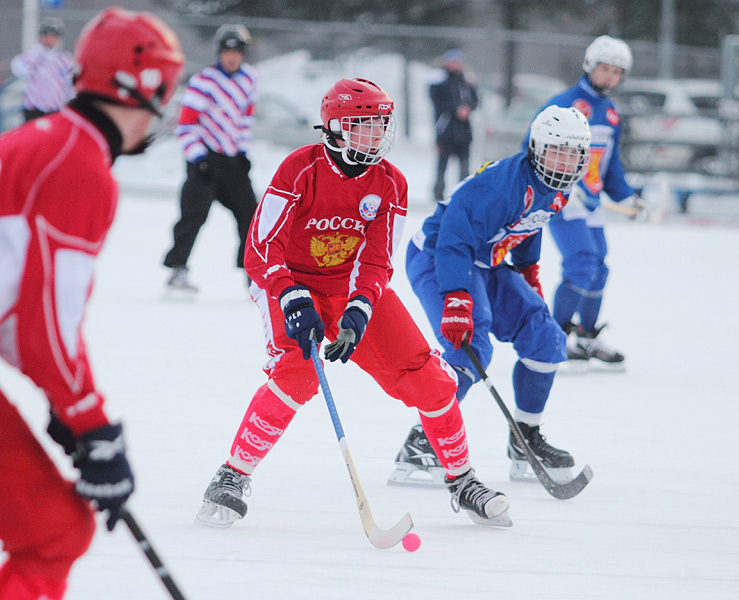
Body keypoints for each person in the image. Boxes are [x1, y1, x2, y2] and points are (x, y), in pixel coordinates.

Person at [195, 78, 511, 529]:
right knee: (298, 373)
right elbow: (262, 249)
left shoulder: (391, 183)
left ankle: (462, 481)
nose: (376, 135)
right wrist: (291, 295)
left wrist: (360, 308)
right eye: (364, 126)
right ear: (336, 129)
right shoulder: (300, 169)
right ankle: (231, 475)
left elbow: (378, 260)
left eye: (381, 125)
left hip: (349, 288)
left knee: (432, 379)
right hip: (287, 282)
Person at [0, 8, 184, 598]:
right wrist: (91, 422)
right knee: (53, 531)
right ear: (141, 85)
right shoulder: (79, 167)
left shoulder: (37, 142)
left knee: (53, 527)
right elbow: (43, 327)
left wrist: (66, 406)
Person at [390, 105, 592, 486]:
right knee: (470, 344)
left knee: (546, 337)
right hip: (440, 255)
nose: (564, 162)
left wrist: (528, 271)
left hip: (486, 259)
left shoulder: (557, 190)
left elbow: (530, 225)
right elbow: (454, 234)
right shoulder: (502, 184)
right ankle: (421, 444)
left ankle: (525, 440)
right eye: (556, 151)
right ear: (536, 148)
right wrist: (456, 296)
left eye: (573, 154)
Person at [528, 35, 648, 371]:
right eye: (604, 69)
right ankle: (553, 337)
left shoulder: (610, 113)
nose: (610, 77)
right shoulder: (563, 104)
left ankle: (585, 336)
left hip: (590, 200)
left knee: (599, 268)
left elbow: (611, 164)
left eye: (616, 71)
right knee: (581, 262)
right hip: (563, 200)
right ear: (589, 66)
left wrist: (627, 197)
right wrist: (558, 184)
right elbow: (532, 149)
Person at [162, 24, 259, 294]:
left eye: (236, 51)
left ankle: (252, 274)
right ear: (219, 53)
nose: (231, 56)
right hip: (204, 159)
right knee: (193, 215)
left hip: (232, 161)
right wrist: (197, 158)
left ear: (243, 54)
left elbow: (244, 121)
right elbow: (186, 125)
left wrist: (242, 153)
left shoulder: (249, 79)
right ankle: (177, 270)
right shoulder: (203, 81)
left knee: (251, 214)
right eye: (226, 51)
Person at [429, 49, 478, 202]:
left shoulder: (465, 81)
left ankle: (462, 194)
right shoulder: (440, 81)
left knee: (464, 166)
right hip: (446, 131)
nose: (454, 64)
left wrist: (467, 108)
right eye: (451, 61)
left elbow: (475, 100)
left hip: (464, 131)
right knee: (442, 165)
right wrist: (455, 109)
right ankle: (438, 194)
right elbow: (438, 103)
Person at [10, 16, 75, 122]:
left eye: (54, 36)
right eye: (47, 36)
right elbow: (19, 69)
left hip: (55, 111)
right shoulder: (34, 56)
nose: (50, 40)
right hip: (34, 110)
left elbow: (70, 84)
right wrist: (36, 53)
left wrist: (71, 104)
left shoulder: (64, 59)